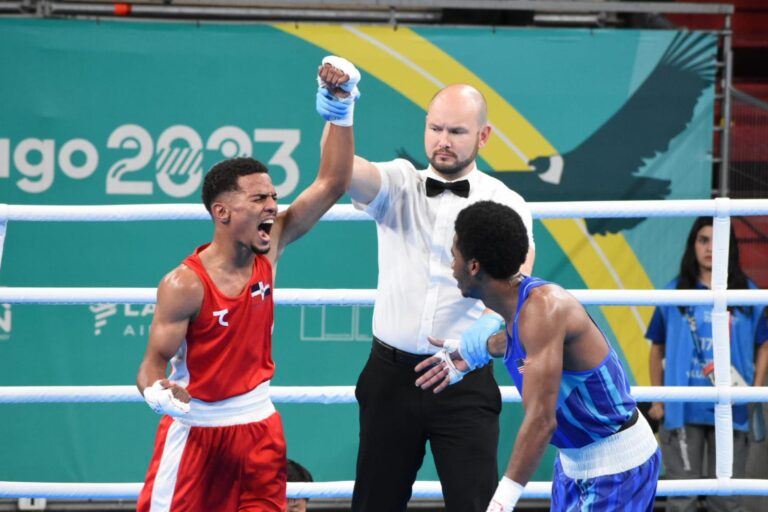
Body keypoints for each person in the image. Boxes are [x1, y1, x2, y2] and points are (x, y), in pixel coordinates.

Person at [134, 57, 360, 512]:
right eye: (259, 198)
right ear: (223, 213)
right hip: (196, 431)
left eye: (274, 196)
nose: (273, 206)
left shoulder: (270, 247)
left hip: (259, 427)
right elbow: (151, 364)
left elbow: (333, 183)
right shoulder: (184, 284)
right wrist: (159, 393)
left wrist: (341, 107)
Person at [343, 81, 536, 512]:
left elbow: (522, 276)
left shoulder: (505, 202)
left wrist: (483, 335)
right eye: (435, 128)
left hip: (464, 378)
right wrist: (339, 112)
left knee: (475, 505)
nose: (442, 141)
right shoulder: (397, 182)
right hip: (389, 376)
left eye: (457, 132)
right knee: (374, 503)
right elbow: (340, 172)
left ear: (483, 137)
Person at [416, 200, 661, 512]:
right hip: (574, 463)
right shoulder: (521, 308)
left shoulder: (545, 309)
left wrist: (501, 502)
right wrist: (471, 351)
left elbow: (541, 421)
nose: (452, 267)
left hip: (616, 467)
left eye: (454, 255)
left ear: (474, 266)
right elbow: (522, 341)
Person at [646, 216, 768, 512]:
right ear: (693, 246)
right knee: (681, 498)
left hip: (730, 406)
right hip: (681, 409)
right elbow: (656, 348)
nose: (711, 248)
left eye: (718, 241)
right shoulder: (673, 293)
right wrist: (659, 397)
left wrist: (754, 390)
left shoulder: (748, 294)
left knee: (725, 499)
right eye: (703, 240)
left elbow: (764, 343)